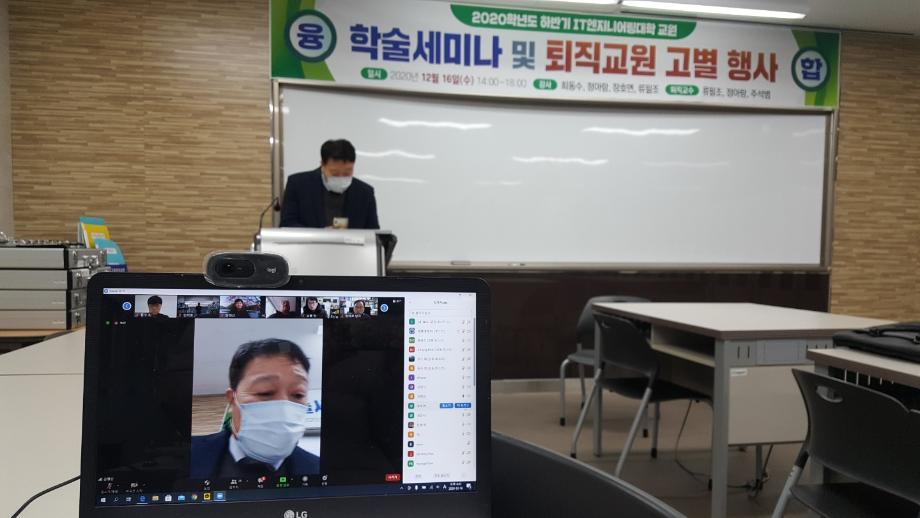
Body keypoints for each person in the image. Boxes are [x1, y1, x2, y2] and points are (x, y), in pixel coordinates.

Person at [190, 338, 319, 479]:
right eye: (265, 392)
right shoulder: (188, 452)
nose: (284, 409)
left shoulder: (316, 467)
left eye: (298, 394)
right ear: (232, 399)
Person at [280, 139, 380, 229]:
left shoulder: (365, 193)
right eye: (335, 173)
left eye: (347, 173)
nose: (341, 178)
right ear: (322, 165)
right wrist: (321, 235)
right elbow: (287, 224)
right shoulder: (298, 185)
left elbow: (373, 234)